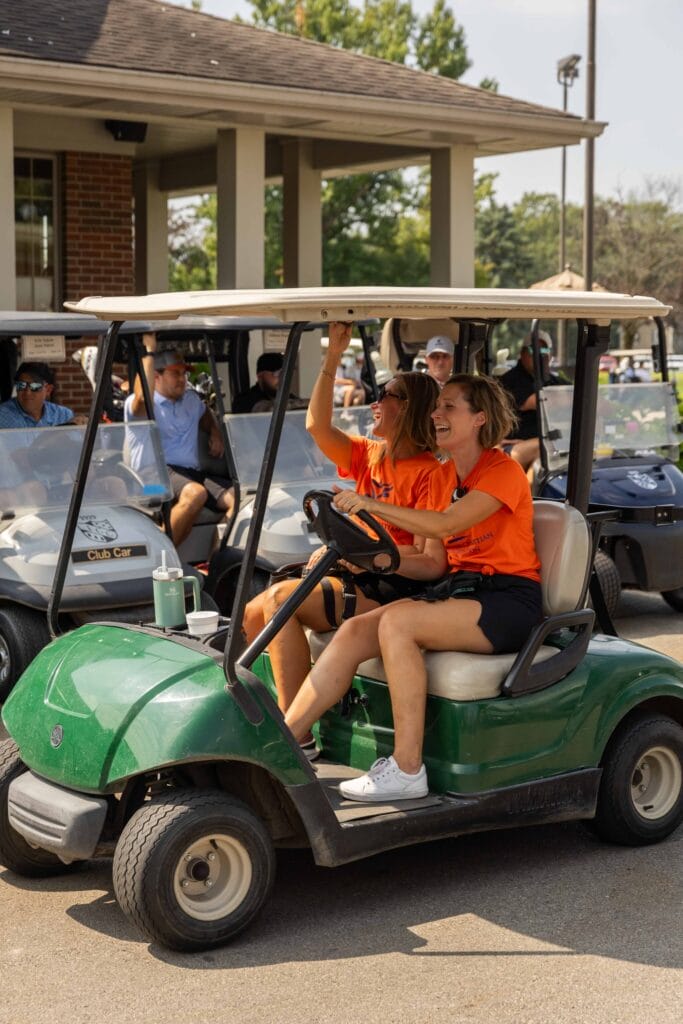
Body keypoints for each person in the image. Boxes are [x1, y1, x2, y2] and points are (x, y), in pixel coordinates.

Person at [284, 373, 542, 802]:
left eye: (449, 407)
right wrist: (364, 545)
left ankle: (407, 769)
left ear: (479, 418)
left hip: (508, 600)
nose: (436, 414)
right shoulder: (442, 477)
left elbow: (445, 524)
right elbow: (434, 554)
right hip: (462, 594)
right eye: (437, 406)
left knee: (399, 623)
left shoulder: (503, 471)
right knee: (356, 630)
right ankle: (283, 744)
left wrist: (369, 504)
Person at [242, 321, 444, 760]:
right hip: (357, 571)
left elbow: (428, 556)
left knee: (279, 601)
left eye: (385, 395)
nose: (374, 402)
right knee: (253, 613)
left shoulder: (431, 473)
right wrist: (332, 356)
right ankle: (289, 713)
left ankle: (293, 738)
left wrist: (363, 556)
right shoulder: (370, 454)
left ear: (408, 408)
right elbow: (317, 425)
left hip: (393, 586)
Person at [124, 335, 233, 547]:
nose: (182, 379)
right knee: (195, 494)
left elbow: (205, 414)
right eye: (175, 373)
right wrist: (149, 352)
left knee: (240, 500)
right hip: (149, 484)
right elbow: (142, 398)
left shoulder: (190, 400)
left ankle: (217, 560)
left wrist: (215, 432)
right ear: (156, 377)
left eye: (184, 373)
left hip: (190, 475)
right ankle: (161, 555)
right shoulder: (142, 406)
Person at [499, 330, 561, 473]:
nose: (539, 354)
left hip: (545, 446)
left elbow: (581, 398)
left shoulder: (554, 381)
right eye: (534, 349)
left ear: (550, 355)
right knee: (548, 446)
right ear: (522, 353)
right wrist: (569, 398)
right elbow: (538, 401)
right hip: (513, 446)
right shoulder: (509, 381)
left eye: (544, 350)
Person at [0, 362, 76, 428]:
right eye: (21, 385)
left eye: (35, 386)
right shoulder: (3, 415)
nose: (27, 392)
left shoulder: (63, 415)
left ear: (48, 390)